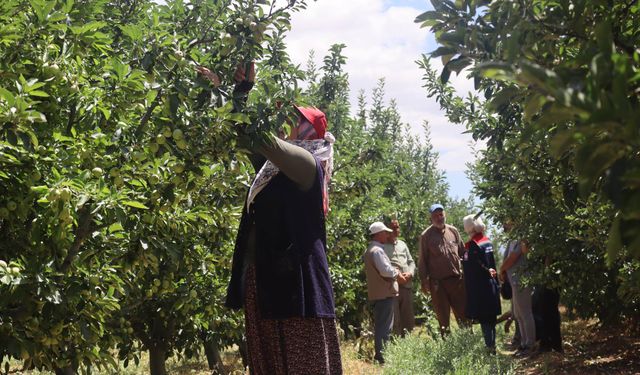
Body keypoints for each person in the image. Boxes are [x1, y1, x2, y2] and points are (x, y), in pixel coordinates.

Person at [202, 63, 342, 374]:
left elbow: (255, 137)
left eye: (289, 120)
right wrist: (232, 90)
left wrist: (235, 96)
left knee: (300, 362)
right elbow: (241, 133)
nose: (280, 123)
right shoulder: (272, 171)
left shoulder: (306, 163)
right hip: (266, 280)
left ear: (306, 131)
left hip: (297, 287)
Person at [418, 203, 468, 337]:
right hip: (438, 284)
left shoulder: (453, 231)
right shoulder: (426, 236)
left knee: (464, 314)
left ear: (444, 215)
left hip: (457, 281)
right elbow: (422, 260)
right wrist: (424, 281)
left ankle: (468, 342)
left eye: (441, 214)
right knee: (443, 318)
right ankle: (448, 348)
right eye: (436, 215)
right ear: (431, 218)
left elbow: (463, 253)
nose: (439, 218)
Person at [364, 221, 403, 364]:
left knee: (381, 325)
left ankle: (381, 356)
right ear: (379, 234)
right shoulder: (378, 251)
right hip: (384, 293)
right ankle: (382, 357)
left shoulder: (370, 249)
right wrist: (396, 272)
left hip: (378, 293)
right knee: (385, 327)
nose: (387, 234)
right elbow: (385, 271)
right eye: (385, 232)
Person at [461, 214, 501, 351]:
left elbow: (473, 267)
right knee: (491, 319)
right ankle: (493, 345)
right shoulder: (487, 241)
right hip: (491, 286)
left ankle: (490, 347)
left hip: (480, 288)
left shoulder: (473, 245)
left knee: (485, 320)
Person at [499, 222, 536, 356]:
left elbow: (513, 258)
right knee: (519, 315)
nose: (504, 224)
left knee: (525, 313)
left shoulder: (522, 237)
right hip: (515, 281)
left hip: (522, 280)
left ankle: (529, 345)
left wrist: (502, 269)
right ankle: (524, 344)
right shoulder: (512, 239)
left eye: (506, 221)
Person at [383, 219, 416, 336]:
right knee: (395, 322)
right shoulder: (382, 247)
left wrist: (411, 273)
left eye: (398, 227)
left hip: (406, 287)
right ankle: (397, 349)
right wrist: (397, 277)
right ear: (387, 230)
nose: (397, 230)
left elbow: (411, 262)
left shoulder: (402, 244)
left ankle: (409, 346)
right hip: (392, 290)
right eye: (393, 228)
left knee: (408, 320)